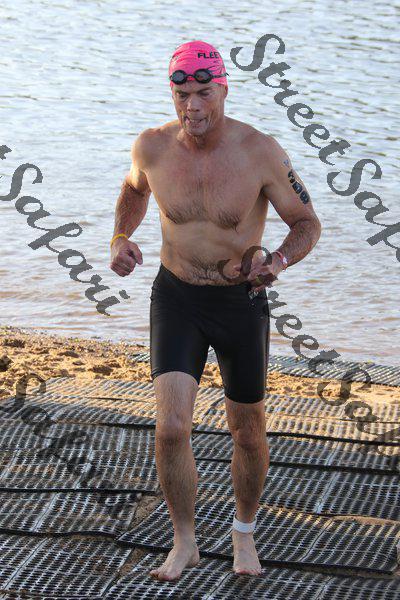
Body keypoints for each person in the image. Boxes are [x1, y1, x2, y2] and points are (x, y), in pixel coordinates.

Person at [110, 40, 321, 581]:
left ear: (224, 88)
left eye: (204, 92)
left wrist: (277, 261)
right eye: (182, 94)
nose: (193, 106)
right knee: (170, 428)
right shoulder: (152, 146)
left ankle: (243, 532)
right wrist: (120, 238)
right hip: (176, 297)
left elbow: (307, 223)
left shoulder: (260, 152)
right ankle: (184, 541)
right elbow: (133, 191)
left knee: (246, 432)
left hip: (239, 302)